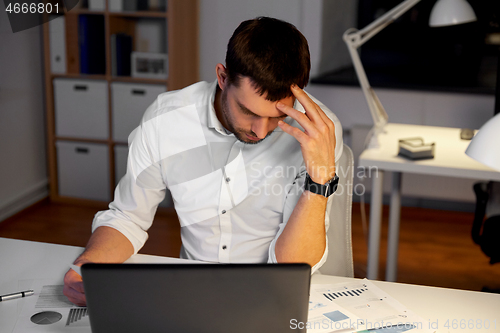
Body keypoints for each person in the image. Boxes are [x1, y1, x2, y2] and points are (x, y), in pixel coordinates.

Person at [63, 16, 343, 306]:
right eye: (248, 111)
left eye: (276, 117)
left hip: (274, 293)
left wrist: (320, 179)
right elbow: (128, 217)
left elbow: (290, 268)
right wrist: (87, 266)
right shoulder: (166, 120)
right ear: (223, 78)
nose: (261, 131)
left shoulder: (318, 135)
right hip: (192, 292)